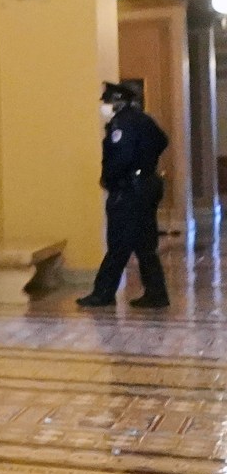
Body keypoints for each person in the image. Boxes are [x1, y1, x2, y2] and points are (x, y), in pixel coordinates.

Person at [77, 82, 170, 309]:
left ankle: (103, 293)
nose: (106, 106)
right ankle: (156, 294)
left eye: (108, 101)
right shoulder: (143, 119)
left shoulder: (122, 123)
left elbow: (121, 157)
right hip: (146, 185)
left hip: (129, 189)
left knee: (118, 242)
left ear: (118, 101)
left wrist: (108, 178)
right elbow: (162, 141)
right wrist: (146, 162)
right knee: (144, 243)